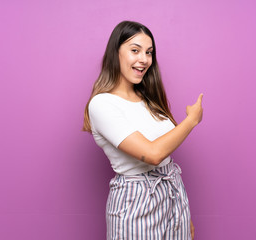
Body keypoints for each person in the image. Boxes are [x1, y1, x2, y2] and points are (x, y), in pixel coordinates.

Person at [83, 21, 203, 240]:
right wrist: (191, 121)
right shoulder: (102, 104)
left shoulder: (149, 99)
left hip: (173, 195)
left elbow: (166, 159)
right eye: (135, 50)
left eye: (149, 53)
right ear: (115, 53)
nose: (144, 59)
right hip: (136, 202)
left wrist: (183, 214)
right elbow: (153, 155)